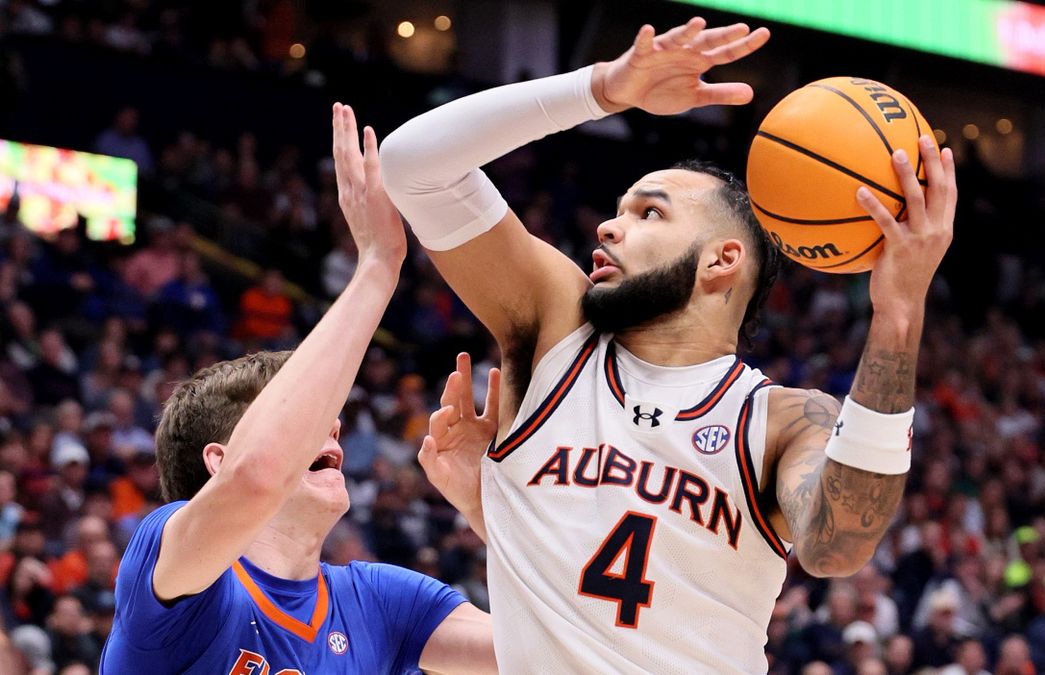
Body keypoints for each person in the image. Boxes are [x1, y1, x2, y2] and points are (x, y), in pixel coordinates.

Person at [383, 15, 956, 673]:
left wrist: (899, 313)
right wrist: (601, 89)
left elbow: (837, 548)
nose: (607, 224)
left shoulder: (782, 421)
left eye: (647, 212)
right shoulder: (557, 340)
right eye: (620, 209)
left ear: (721, 261)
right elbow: (414, 166)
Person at [98, 104, 496, 674]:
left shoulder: (385, 601)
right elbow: (256, 477)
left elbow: (568, 650)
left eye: (330, 414)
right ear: (218, 458)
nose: (331, 422)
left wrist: (489, 511)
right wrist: (379, 265)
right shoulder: (166, 558)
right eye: (307, 414)